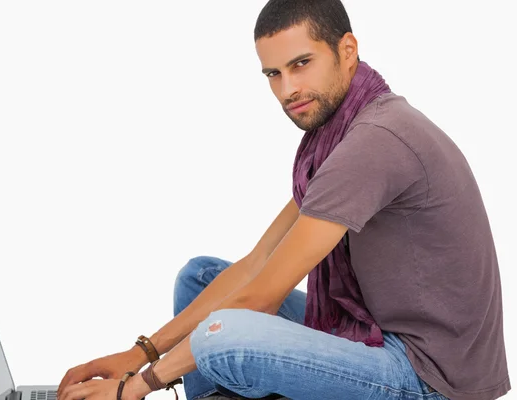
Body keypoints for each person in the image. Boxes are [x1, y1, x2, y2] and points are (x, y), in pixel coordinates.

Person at [56, 0, 510, 399]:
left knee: (222, 332)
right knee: (200, 277)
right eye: (273, 73)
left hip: (426, 378)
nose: (287, 89)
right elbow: (258, 263)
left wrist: (134, 387)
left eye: (301, 64)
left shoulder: (374, 141)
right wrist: (139, 353)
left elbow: (261, 296)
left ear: (347, 50)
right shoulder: (340, 133)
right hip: (374, 334)